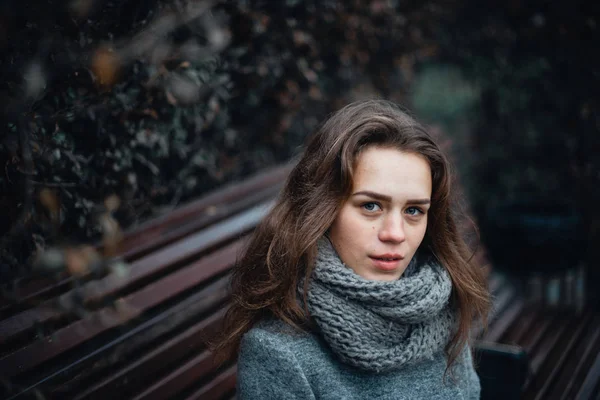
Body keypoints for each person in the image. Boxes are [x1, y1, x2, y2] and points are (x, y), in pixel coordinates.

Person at [212, 99, 490, 399]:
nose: (395, 234)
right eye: (370, 206)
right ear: (322, 211)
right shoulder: (279, 353)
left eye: (413, 211)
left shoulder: (440, 308)